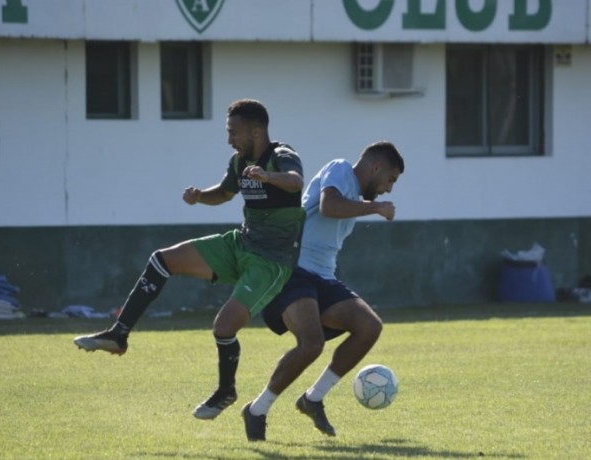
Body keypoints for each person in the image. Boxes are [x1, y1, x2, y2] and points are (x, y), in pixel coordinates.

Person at [73, 99, 306, 420]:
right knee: (162, 260)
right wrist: (200, 197)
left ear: (256, 131)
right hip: (241, 243)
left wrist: (268, 177)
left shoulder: (281, 155)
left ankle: (226, 391)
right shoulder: (239, 162)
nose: (229, 140)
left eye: (234, 133)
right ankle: (118, 334)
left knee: (223, 327)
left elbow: (295, 181)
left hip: (271, 261)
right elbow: (223, 194)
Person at [239, 141, 405, 441]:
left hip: (323, 278)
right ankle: (257, 410)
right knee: (311, 343)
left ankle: (313, 399)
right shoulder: (341, 169)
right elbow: (330, 206)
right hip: (292, 270)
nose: (389, 189)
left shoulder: (355, 195)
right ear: (376, 167)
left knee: (369, 327)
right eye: (390, 180)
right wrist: (376, 207)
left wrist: (370, 205)